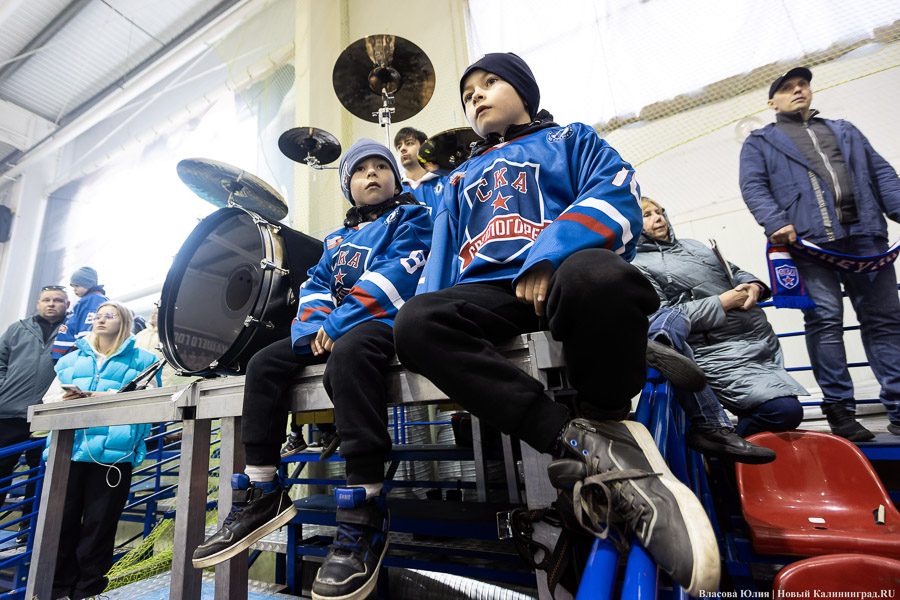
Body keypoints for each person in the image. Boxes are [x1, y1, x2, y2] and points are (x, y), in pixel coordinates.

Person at [393, 53, 719, 596]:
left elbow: (616, 190)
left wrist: (549, 254)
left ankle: (607, 414)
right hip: (490, 293)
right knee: (417, 323)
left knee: (600, 276)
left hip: (565, 273)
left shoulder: (570, 138)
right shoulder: (457, 178)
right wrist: (428, 331)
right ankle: (576, 441)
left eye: (490, 82)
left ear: (525, 91)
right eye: (468, 93)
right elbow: (441, 260)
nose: (476, 95)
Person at [192, 139, 432, 600]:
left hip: (385, 324)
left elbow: (396, 274)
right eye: (360, 170)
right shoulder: (336, 240)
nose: (372, 174)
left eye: (381, 167)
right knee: (264, 363)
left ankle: (366, 504)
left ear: (395, 179)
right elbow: (316, 284)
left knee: (350, 353)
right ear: (348, 186)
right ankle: (264, 488)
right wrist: (316, 329)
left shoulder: (413, 217)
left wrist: (338, 325)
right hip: (333, 329)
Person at [739, 66, 900, 440]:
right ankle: (841, 412)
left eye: (803, 84)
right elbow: (754, 187)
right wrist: (775, 221)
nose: (798, 90)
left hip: (867, 238)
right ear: (772, 102)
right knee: (825, 322)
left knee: (885, 321)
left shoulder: (844, 130)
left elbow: (882, 174)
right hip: (809, 245)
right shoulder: (760, 142)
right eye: (787, 87)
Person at [634, 198, 806, 448]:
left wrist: (753, 286)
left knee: (774, 409)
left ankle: (730, 464)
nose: (657, 218)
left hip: (758, 344)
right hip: (714, 352)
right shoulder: (637, 264)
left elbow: (733, 271)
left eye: (659, 212)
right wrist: (722, 302)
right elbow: (660, 318)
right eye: (647, 215)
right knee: (782, 411)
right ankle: (725, 457)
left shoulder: (693, 245)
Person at [42, 300, 158, 599]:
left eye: (110, 315)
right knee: (61, 523)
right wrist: (64, 400)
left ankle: (86, 590)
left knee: (100, 526)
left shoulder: (144, 360)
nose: (101, 320)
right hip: (68, 452)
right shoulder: (70, 359)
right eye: (98, 316)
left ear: (124, 322)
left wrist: (105, 396)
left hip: (113, 455)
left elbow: (152, 402)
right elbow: (47, 400)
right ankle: (57, 589)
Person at [0, 285, 69, 522]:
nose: (51, 304)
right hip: (9, 412)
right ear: (38, 304)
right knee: (1, 468)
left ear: (67, 305)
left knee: (40, 473)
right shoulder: (17, 329)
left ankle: (27, 528)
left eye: (57, 300)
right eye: (46, 300)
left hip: (47, 414)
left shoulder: (73, 330)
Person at [51, 267, 108, 360]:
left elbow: (88, 330)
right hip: (67, 355)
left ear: (87, 284)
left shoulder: (94, 300)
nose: (74, 290)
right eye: (73, 287)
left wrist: (81, 353)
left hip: (75, 355)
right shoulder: (86, 300)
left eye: (77, 286)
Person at [395, 126, 445, 217]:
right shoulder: (396, 189)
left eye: (409, 143)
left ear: (423, 147)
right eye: (399, 146)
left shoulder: (445, 180)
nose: (402, 149)